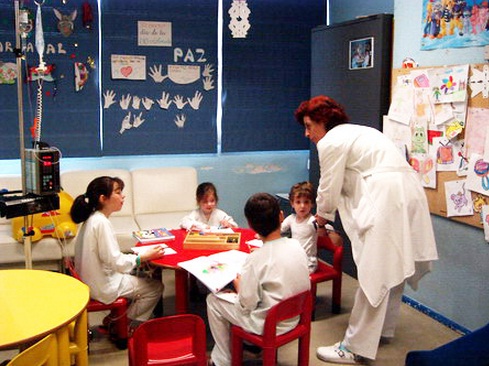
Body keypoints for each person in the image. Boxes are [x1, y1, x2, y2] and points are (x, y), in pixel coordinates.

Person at [294, 95, 438, 364]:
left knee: (375, 272)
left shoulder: (331, 140)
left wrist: (321, 219)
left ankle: (354, 347)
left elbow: (329, 185)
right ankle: (383, 330)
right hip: (409, 193)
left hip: (387, 198)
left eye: (308, 125)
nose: (307, 133)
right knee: (393, 265)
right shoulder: (361, 132)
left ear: (323, 122)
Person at [206, 192, 310, 366]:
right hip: (294, 318)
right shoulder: (296, 245)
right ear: (281, 216)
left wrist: (239, 287)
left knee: (213, 300)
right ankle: (250, 347)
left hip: (268, 325)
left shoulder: (255, 260)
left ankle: (222, 360)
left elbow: (247, 303)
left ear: (250, 225)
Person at [71, 176, 165, 330]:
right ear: (103, 198)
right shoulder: (101, 223)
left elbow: (110, 257)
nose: (123, 196)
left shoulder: (92, 219)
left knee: (141, 277)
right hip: (104, 285)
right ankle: (121, 323)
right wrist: (142, 258)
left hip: (92, 280)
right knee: (155, 288)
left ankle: (116, 319)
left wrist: (138, 260)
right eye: (118, 192)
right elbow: (116, 262)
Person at [281, 181, 318, 273]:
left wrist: (323, 227)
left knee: (285, 273)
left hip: (308, 261)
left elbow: (326, 231)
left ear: (312, 203)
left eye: (306, 202)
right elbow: (279, 230)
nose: (302, 206)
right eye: (298, 202)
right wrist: (263, 234)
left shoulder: (312, 221)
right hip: (295, 257)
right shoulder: (291, 219)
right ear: (292, 203)